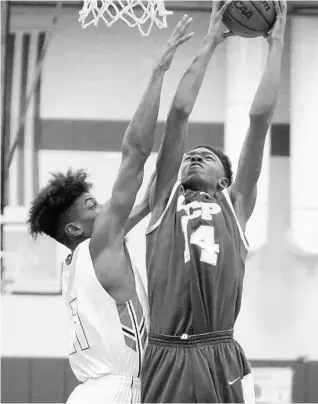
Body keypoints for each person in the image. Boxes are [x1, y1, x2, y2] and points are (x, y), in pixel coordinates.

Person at [27, 15, 193, 404]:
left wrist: (155, 190)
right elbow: (135, 153)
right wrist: (159, 71)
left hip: (94, 391)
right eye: (91, 205)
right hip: (118, 392)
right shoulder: (97, 247)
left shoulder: (77, 260)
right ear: (72, 228)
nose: (103, 207)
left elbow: (141, 206)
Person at [141, 1, 287, 403]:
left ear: (224, 179)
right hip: (164, 350)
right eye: (191, 154)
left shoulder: (235, 205)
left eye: (205, 157)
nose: (193, 155)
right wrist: (210, 41)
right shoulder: (162, 204)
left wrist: (275, 45)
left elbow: (259, 120)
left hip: (221, 351)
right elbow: (179, 112)